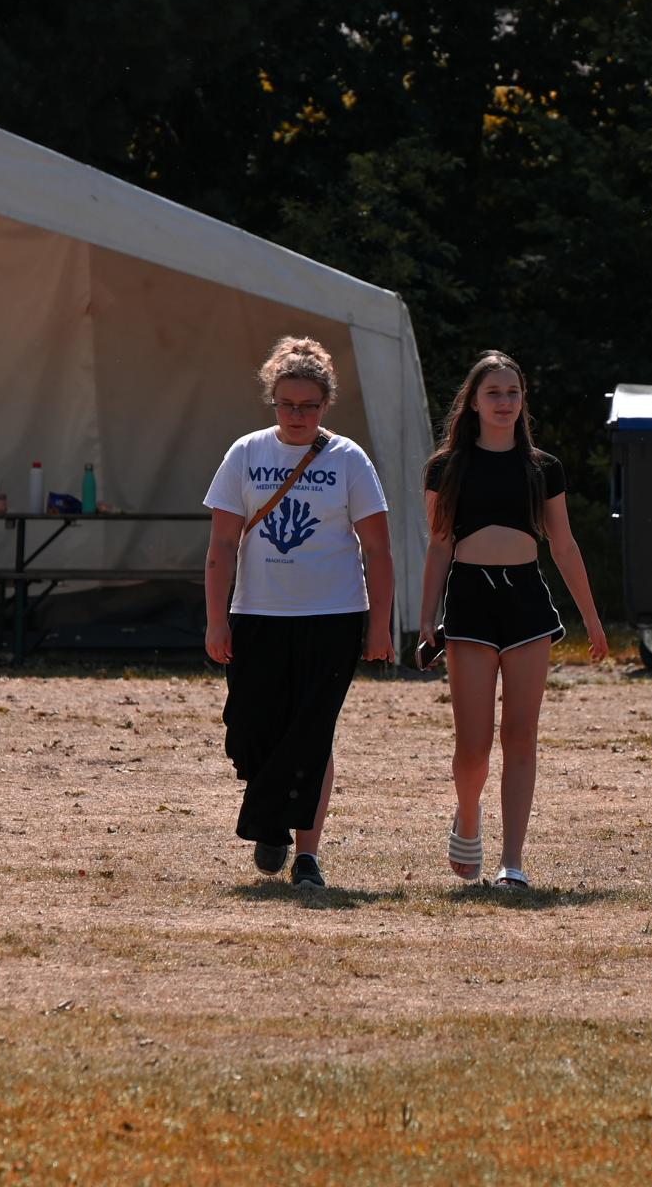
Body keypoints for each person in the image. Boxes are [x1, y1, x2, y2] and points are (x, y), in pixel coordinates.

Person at [203, 336, 395, 889]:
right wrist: (216, 619)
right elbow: (221, 545)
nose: (297, 415)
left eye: (309, 405)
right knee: (250, 729)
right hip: (258, 614)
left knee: (312, 732)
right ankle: (270, 820)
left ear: (326, 404)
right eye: (286, 404)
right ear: (272, 401)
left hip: (333, 615)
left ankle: (306, 853)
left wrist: (380, 625)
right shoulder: (246, 453)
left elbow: (378, 549)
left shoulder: (348, 459)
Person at [418, 350, 608, 888]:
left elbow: (563, 545)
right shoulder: (445, 467)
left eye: (513, 392)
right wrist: (427, 617)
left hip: (526, 602)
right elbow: (439, 545)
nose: (504, 402)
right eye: (493, 393)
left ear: (523, 400)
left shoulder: (543, 468)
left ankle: (513, 861)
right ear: (473, 403)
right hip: (469, 602)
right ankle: (468, 814)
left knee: (521, 736)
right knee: (473, 743)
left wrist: (593, 619)